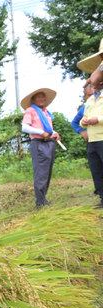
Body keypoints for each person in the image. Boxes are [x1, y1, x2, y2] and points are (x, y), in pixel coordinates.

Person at [21, 88, 62, 208]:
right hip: (39, 143)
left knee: (47, 172)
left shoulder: (45, 112)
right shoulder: (30, 110)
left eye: (43, 97)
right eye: (38, 97)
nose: (41, 99)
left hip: (49, 142)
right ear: (33, 99)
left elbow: (48, 129)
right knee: (41, 173)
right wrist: (41, 132)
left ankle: (43, 199)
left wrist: (55, 133)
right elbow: (25, 127)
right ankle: (40, 202)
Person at [78, 45, 103, 208]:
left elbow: (98, 118)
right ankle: (102, 198)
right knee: (97, 172)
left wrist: (98, 120)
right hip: (92, 140)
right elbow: (82, 118)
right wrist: (84, 122)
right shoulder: (89, 100)